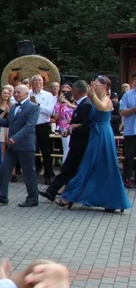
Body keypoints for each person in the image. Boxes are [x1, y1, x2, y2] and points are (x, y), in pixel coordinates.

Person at [57, 76, 131, 212]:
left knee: (103, 166)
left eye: (96, 84)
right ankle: (73, 195)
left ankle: (72, 196)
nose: (93, 86)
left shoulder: (106, 100)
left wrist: (92, 95)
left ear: (104, 86)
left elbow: (102, 108)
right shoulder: (94, 99)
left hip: (103, 135)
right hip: (95, 134)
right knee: (88, 164)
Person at [0, 84, 40, 207]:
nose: (15, 94)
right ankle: (2, 195)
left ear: (26, 94)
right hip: (12, 146)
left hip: (25, 146)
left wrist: (15, 138)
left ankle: (33, 198)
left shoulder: (33, 107)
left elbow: (29, 126)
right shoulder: (14, 107)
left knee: (28, 173)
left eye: (18, 92)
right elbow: (8, 123)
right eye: (15, 92)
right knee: (4, 169)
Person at [41, 81, 92, 202]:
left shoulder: (86, 105)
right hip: (76, 143)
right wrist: (69, 130)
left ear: (78, 91)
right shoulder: (81, 104)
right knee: (67, 169)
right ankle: (52, 191)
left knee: (72, 169)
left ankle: (65, 194)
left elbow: (87, 125)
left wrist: (74, 127)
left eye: (72, 91)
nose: (71, 93)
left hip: (81, 144)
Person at [29, 75, 56, 185]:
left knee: (46, 151)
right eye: (35, 80)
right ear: (32, 82)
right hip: (30, 125)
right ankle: (31, 174)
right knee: (30, 151)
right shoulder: (28, 93)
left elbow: (50, 111)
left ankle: (48, 175)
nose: (37, 82)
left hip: (43, 125)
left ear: (43, 82)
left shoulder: (48, 95)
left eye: (40, 80)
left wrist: (37, 105)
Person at [119, 76, 136, 187]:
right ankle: (127, 178)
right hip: (130, 131)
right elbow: (122, 112)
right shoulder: (128, 95)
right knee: (129, 156)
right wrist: (134, 109)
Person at [53, 84, 75, 159]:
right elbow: (56, 117)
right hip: (64, 127)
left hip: (75, 126)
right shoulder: (58, 104)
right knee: (67, 148)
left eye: (67, 92)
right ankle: (65, 167)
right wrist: (61, 104)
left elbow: (79, 110)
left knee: (74, 149)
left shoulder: (74, 103)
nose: (65, 93)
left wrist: (68, 103)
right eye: (63, 91)